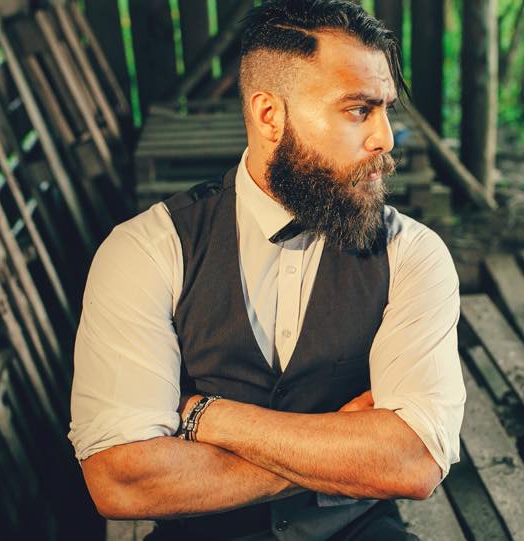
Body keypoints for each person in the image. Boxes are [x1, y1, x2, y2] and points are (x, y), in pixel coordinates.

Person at [68, 1, 466, 539]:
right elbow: (121, 484)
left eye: (385, 109)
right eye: (357, 110)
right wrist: (347, 452)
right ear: (269, 115)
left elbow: (412, 464)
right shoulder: (145, 249)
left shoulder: (413, 254)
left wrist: (207, 418)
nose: (385, 139)